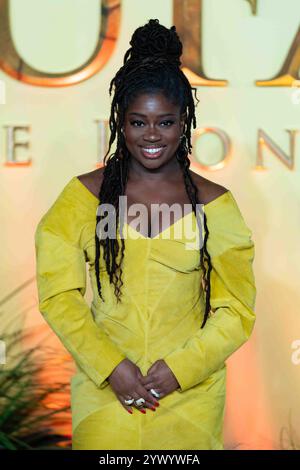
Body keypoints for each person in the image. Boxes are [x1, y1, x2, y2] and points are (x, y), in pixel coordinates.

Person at [34, 19, 256, 450]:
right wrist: (111, 366)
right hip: (105, 396)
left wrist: (178, 370)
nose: (152, 135)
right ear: (120, 121)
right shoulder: (83, 197)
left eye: (165, 122)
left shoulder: (216, 205)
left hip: (190, 399)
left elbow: (236, 312)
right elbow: (58, 295)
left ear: (184, 121)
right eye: (138, 123)